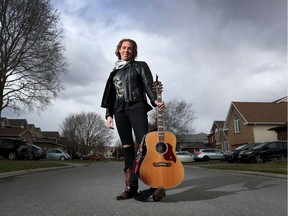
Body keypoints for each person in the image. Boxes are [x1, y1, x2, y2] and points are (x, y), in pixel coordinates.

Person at [101, 38, 166, 201]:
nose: (126, 50)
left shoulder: (140, 66)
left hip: (137, 107)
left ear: (133, 52)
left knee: (145, 145)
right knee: (128, 148)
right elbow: (111, 95)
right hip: (119, 110)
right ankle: (131, 188)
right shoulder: (114, 72)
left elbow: (148, 85)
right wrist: (109, 114)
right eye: (124, 47)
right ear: (119, 49)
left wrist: (155, 100)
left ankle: (155, 185)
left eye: (130, 48)